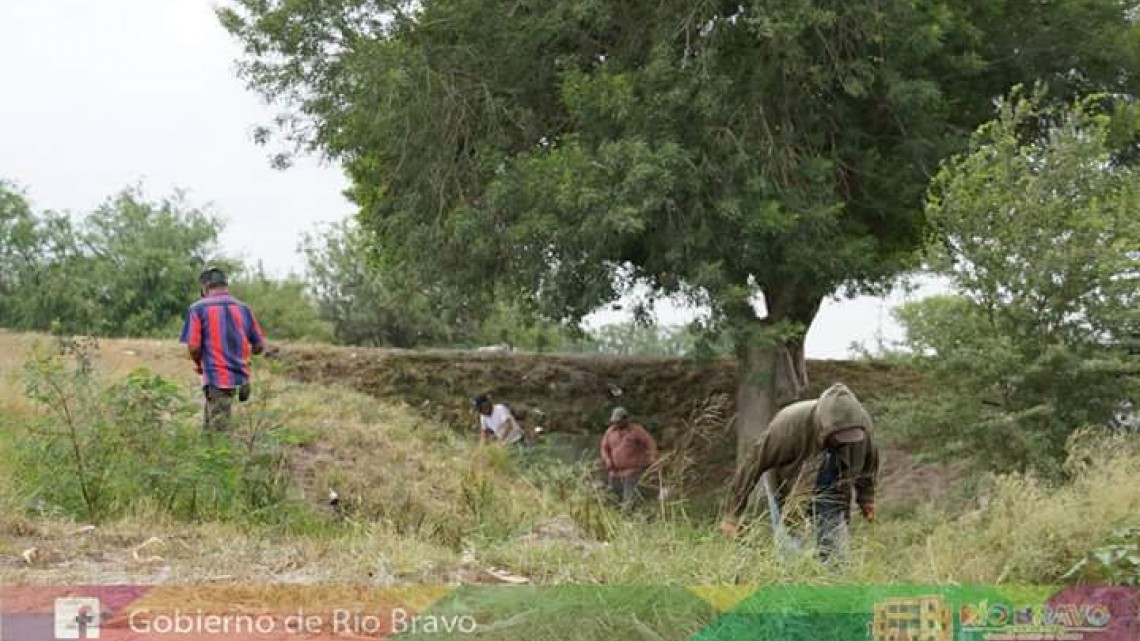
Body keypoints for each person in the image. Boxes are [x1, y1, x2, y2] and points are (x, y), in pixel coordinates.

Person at [720, 382, 878, 564]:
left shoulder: (862, 426)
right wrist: (732, 514)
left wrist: (866, 498)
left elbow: (869, 461)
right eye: (839, 435)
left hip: (833, 487)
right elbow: (753, 465)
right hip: (788, 485)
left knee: (835, 556)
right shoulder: (788, 425)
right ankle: (792, 577)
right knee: (791, 552)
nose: (846, 440)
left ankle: (830, 580)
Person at [180, 266, 267, 432]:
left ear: (205, 287)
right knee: (210, 426)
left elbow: (194, 347)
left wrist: (199, 365)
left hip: (216, 376)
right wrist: (241, 357)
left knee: (219, 431)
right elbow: (259, 346)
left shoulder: (198, 309)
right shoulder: (243, 308)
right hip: (241, 377)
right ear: (226, 285)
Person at [600, 407, 658, 515]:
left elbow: (650, 443)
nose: (616, 424)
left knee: (629, 501)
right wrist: (607, 459)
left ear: (625, 419)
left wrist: (653, 457)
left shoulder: (636, 430)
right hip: (615, 472)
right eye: (614, 422)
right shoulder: (610, 432)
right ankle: (616, 518)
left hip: (632, 471)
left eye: (618, 422)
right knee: (613, 500)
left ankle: (628, 517)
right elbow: (604, 447)